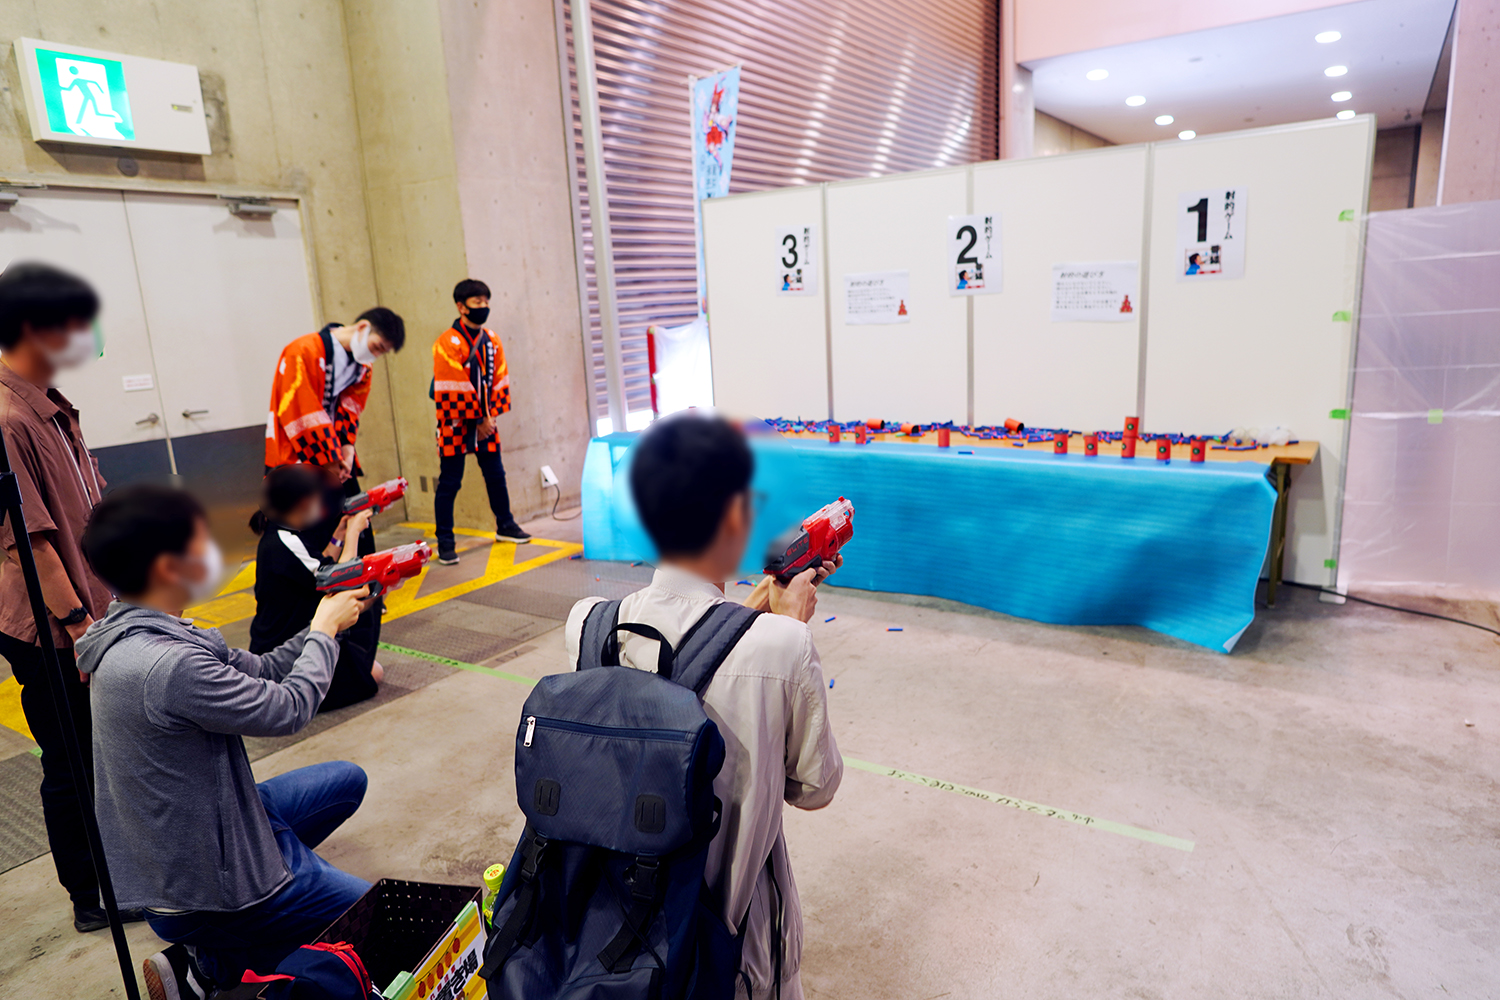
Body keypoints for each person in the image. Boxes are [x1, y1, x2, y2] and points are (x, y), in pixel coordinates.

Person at [563, 413, 842, 1000]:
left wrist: (753, 611)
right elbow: (813, 788)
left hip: (614, 919)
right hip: (729, 947)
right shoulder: (782, 644)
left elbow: (677, 665)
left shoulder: (587, 625)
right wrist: (788, 626)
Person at [77, 484, 372, 999]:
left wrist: (327, 621)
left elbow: (263, 669)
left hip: (210, 830)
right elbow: (289, 708)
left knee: (347, 781)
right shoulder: (168, 665)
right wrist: (324, 634)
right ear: (169, 566)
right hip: (211, 886)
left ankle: (211, 957)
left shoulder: (140, 631)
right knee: (375, 915)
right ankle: (225, 959)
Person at [0, 261, 145, 933]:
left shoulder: (50, 406)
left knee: (106, 748)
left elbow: (87, 494)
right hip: (50, 623)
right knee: (73, 756)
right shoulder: (5, 416)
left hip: (89, 608)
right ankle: (93, 894)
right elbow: (27, 541)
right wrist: (81, 626)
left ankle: (122, 866)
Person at [249, 464, 384, 712]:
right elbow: (340, 581)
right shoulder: (283, 540)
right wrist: (354, 532)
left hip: (288, 641)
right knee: (372, 674)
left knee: (369, 668)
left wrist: (339, 535)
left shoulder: (285, 532)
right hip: (283, 655)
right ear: (301, 504)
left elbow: (319, 569)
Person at [432, 278, 529, 565]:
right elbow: (453, 386)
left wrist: (490, 418)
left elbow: (499, 378)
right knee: (450, 482)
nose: (483, 307)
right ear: (461, 307)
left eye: (486, 302)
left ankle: (506, 525)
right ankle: (445, 542)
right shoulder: (446, 342)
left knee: (496, 475)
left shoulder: (492, 339)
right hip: (455, 424)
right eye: (477, 303)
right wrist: (478, 420)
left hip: (488, 421)